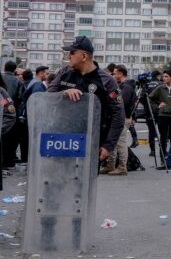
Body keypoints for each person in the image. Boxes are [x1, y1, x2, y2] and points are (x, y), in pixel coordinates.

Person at [46, 36, 126, 165]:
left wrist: (108, 146)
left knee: (85, 182)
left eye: (72, 53)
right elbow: (48, 97)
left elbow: (118, 114)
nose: (68, 56)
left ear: (84, 56)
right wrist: (63, 93)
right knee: (61, 180)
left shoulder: (107, 81)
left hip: (91, 141)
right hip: (63, 140)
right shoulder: (64, 72)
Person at [99, 65, 136, 176]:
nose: (113, 75)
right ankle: (110, 165)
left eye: (114, 73)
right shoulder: (120, 86)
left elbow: (119, 102)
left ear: (120, 74)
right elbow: (111, 96)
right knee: (113, 143)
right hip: (116, 118)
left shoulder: (127, 87)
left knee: (120, 143)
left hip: (123, 118)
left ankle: (122, 167)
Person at [149, 70, 171, 163]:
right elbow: (150, 98)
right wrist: (157, 106)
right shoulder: (160, 88)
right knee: (163, 138)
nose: (164, 78)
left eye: (166, 76)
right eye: (163, 76)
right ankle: (163, 159)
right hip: (162, 115)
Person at [1, 61, 24, 171]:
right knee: (10, 141)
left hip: (4, 111)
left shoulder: (2, 77)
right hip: (11, 113)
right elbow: (20, 97)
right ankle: (8, 162)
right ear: (14, 70)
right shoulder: (17, 81)